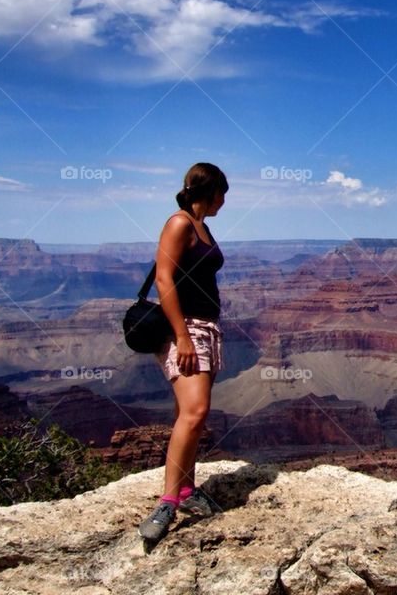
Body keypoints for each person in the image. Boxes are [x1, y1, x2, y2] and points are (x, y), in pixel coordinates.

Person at [138, 163, 228, 542]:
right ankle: (168, 502)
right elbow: (163, 278)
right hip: (186, 328)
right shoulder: (178, 223)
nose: (225, 201)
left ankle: (188, 490)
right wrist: (182, 337)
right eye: (222, 193)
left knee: (187, 414)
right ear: (209, 192)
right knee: (195, 411)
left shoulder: (201, 226)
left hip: (205, 327)